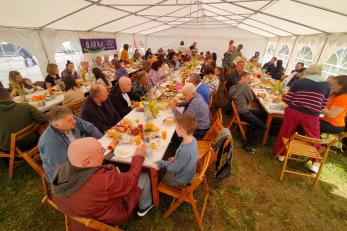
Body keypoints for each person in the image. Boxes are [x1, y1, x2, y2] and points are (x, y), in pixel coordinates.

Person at [51, 138, 153, 230]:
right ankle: (145, 206)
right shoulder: (103, 182)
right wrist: (138, 156)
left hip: (77, 214)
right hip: (107, 217)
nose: (104, 153)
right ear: (86, 162)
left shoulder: (59, 171)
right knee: (143, 177)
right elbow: (132, 180)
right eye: (102, 151)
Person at [272, 64, 331, 167]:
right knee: (314, 136)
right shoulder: (326, 86)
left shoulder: (299, 81)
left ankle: (281, 154)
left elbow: (287, 99)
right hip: (312, 114)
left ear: (308, 71)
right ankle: (315, 163)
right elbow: (322, 105)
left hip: (294, 111)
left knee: (286, 132)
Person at [39, 106, 102, 181]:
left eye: (73, 118)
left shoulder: (71, 120)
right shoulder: (50, 143)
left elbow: (90, 128)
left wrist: (101, 143)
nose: (74, 121)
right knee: (99, 172)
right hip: (64, 175)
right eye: (69, 121)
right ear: (56, 125)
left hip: (80, 158)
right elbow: (62, 167)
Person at [156, 114, 198, 188]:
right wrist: (175, 158)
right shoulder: (191, 139)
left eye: (176, 127)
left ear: (182, 130)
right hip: (185, 171)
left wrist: (162, 163)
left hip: (181, 179)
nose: (175, 129)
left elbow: (173, 168)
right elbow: (181, 155)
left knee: (158, 175)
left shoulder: (186, 151)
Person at [0, 87, 47, 153]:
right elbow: (44, 118)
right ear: (9, 96)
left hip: (11, 148)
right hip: (33, 139)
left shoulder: (25, 106)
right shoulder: (25, 106)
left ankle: (8, 161)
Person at [229, 72, 265, 154]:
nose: (249, 80)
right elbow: (251, 100)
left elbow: (231, 94)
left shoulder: (235, 85)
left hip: (238, 111)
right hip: (243, 112)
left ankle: (250, 130)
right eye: (248, 78)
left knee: (262, 114)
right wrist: (248, 88)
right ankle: (247, 144)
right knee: (262, 127)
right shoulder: (246, 87)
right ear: (243, 78)